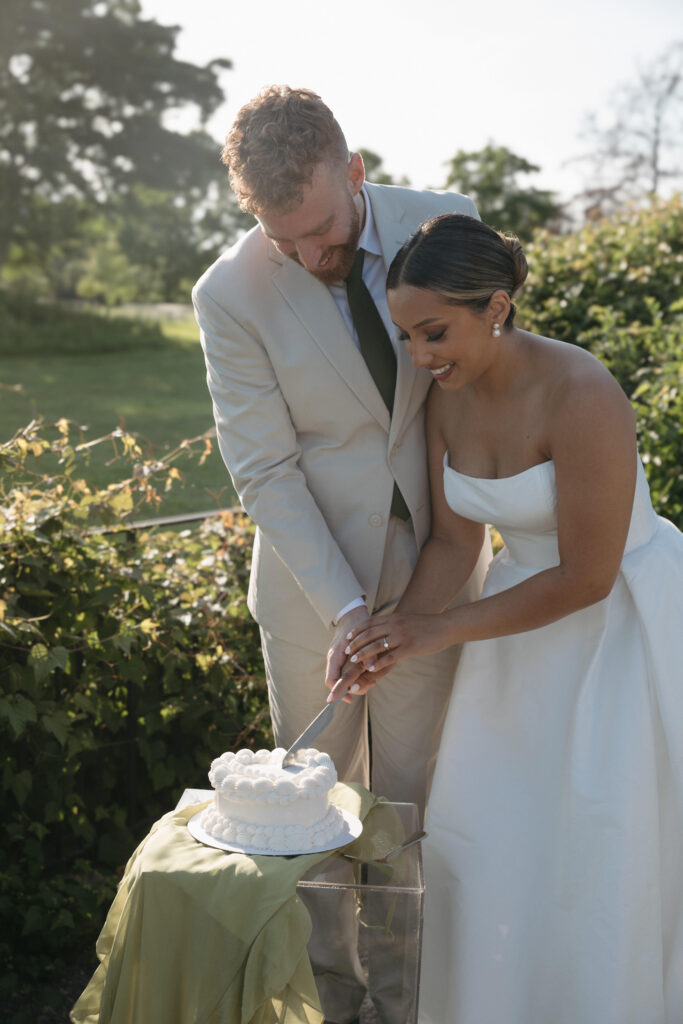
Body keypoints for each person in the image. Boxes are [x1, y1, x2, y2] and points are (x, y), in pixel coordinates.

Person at [331, 213, 683, 1024]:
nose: (418, 357)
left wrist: (440, 631)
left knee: (595, 843)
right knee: (487, 839)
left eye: (433, 332)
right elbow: (455, 544)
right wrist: (393, 634)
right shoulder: (442, 399)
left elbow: (589, 576)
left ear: (495, 306)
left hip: (615, 630)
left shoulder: (581, 390)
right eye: (406, 336)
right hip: (508, 635)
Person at [192, 86, 490, 1023]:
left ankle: (405, 1003)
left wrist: (430, 580)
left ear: (355, 172)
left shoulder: (448, 225)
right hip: (307, 590)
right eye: (286, 239)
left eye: (324, 228)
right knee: (313, 807)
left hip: (438, 567)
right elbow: (266, 469)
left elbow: (476, 392)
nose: (311, 255)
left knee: (407, 806)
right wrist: (347, 612)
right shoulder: (227, 293)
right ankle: (331, 996)